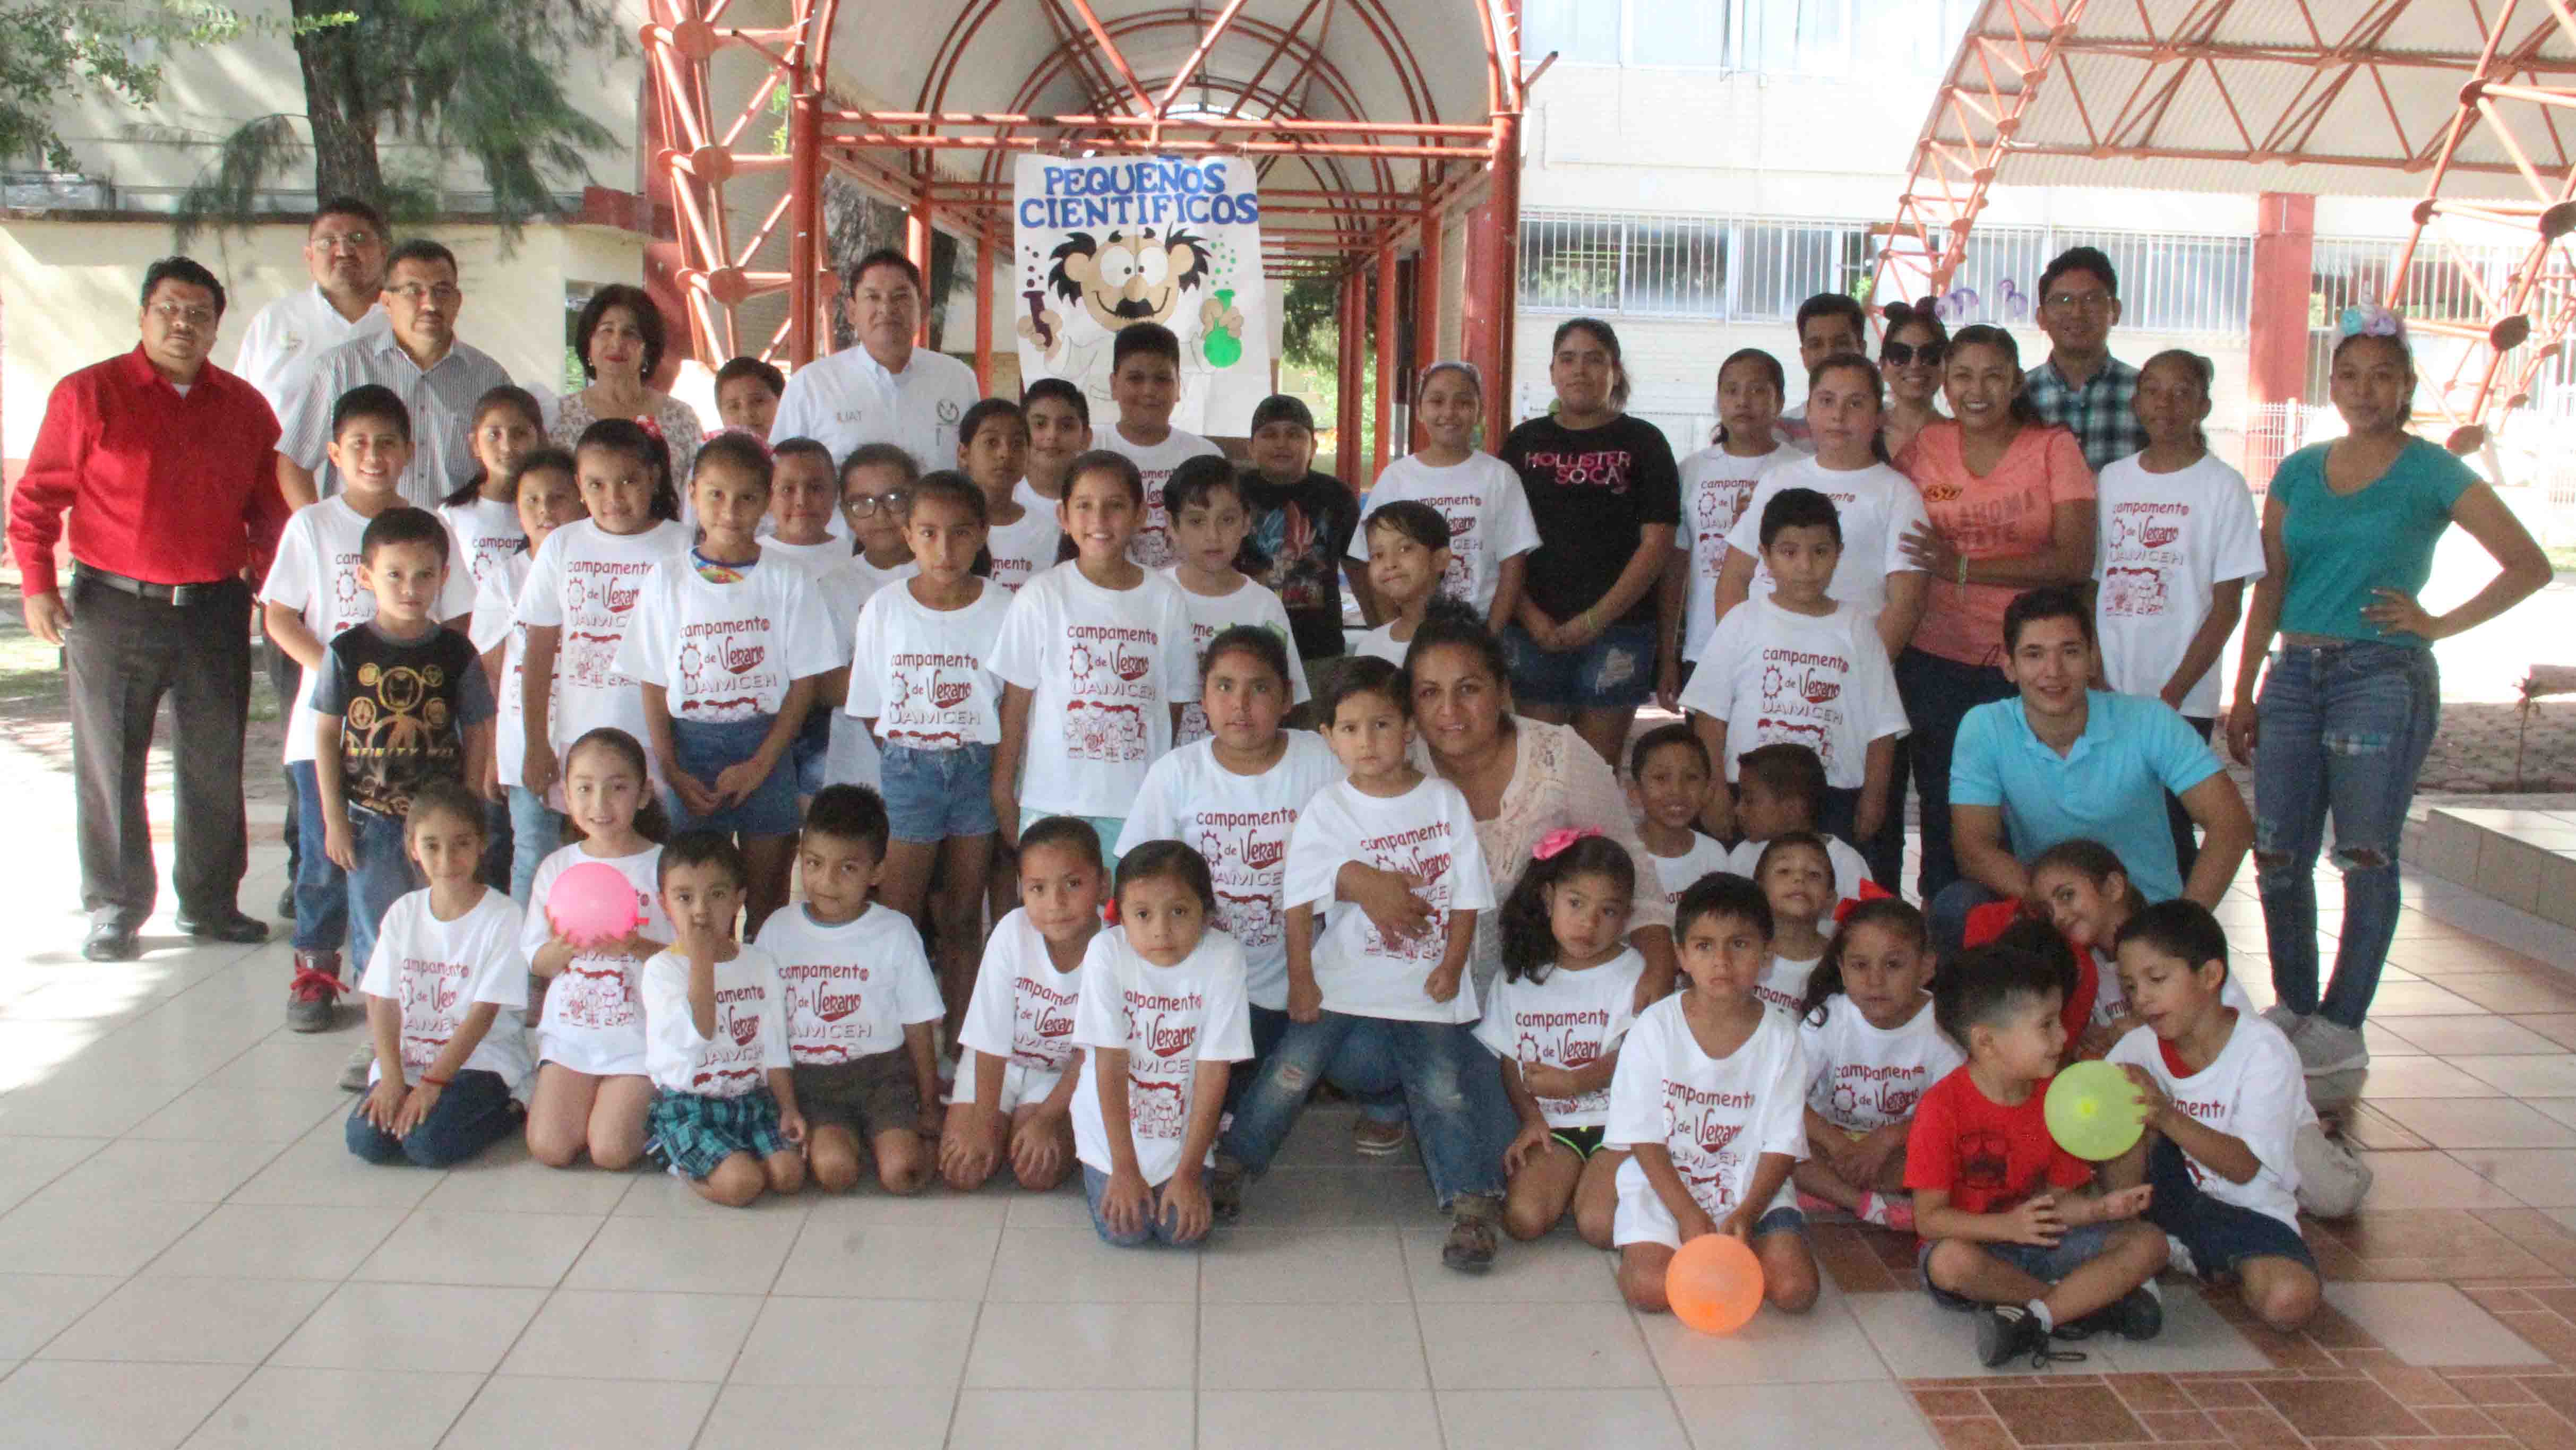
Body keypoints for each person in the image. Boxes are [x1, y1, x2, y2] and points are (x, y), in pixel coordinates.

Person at [2228, 311, 2549, 1078]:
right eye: (2349, 375)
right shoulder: (2301, 470)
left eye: (2382, 376)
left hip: (2382, 677)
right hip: (2295, 676)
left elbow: (2527, 564)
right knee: (2276, 852)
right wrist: (2244, 691)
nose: (2364, 391)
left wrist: (2435, 624)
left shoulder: (2432, 470)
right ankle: (2296, 1005)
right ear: (2330, 382)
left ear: (2406, 386)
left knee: (2366, 854)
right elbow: (2271, 585)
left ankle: (2343, 1021)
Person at [10, 255, 289, 962]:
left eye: (199, 312)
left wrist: (272, 587)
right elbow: (38, 499)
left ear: (217, 327)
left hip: (214, 608)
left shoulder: (246, 408)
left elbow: (269, 512)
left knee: (213, 759)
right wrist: (37, 582)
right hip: (113, 607)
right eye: (169, 308)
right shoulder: (89, 395)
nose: (183, 323)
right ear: (143, 315)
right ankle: (115, 906)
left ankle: (211, 902)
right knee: (110, 758)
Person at [1225, 658, 1508, 1266]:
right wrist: (1301, 980)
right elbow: (1298, 905)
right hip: (1341, 983)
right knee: (1289, 1071)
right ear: (1328, 737)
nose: (1367, 741)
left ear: (1409, 726)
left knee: (1442, 1090)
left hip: (1425, 987)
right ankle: (1234, 1162)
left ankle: (1468, 1207)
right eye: (1349, 729)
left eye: (1381, 724)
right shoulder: (1328, 809)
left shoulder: (1441, 801)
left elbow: (1467, 897)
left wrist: (1453, 965)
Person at [264, 389, 475, 1031]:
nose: (373, 456)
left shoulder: (430, 526)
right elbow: (278, 614)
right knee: (328, 857)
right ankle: (316, 971)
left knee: (404, 863)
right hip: (328, 730)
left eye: (387, 443)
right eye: (358, 443)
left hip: (413, 743)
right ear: (333, 453)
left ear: (409, 452)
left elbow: (459, 618)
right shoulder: (313, 524)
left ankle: (415, 978)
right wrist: (344, 681)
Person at [1894, 324, 2098, 901]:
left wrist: (1962, 567)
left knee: (2031, 804)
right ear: (1945, 384)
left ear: (2015, 382)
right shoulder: (1924, 449)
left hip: (2028, 664)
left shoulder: (2053, 447)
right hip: (1934, 658)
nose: (1976, 389)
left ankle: (2032, 927)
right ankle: (1947, 931)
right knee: (1943, 803)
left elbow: (2073, 560)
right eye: (1962, 375)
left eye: (1992, 375)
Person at [1397, 600, 1679, 1008]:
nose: (1449, 710)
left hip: (1545, 996)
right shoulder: (1397, 765)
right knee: (1360, 1059)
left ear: (1503, 691)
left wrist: (1658, 968)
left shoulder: (1558, 757)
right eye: (1428, 693)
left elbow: (1632, 872)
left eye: (1468, 688)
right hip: (1427, 993)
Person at [1943, 586, 2254, 952]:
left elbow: (2231, 825)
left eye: (2070, 652)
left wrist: (2181, 928)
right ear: (2009, 667)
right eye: (2034, 654)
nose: (2053, 671)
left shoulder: (2149, 720)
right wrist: (2061, 906)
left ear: (2093, 660)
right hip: (2050, 917)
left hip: (2145, 921)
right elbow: (1973, 848)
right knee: (1957, 907)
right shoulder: (1985, 728)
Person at [1908, 943, 2167, 1368]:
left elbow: (2059, 1206)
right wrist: (2007, 1226)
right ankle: (2081, 1304)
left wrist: (2102, 1208)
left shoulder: (2058, 1097)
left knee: (2150, 1243)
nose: (2064, 1037)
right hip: (1979, 1248)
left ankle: (2035, 1317)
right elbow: (1929, 1220)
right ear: (1987, 1042)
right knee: (1949, 1262)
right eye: (2047, 1025)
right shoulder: (1942, 1108)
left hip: (2045, 1245)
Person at [1118, 625, 1344, 1109]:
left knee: (1294, 1078)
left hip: (1299, 981)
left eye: (1259, 688)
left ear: (1287, 699)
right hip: (1204, 982)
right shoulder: (1177, 773)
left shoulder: (1319, 759)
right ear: (1203, 697)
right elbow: (1137, 885)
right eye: (1224, 687)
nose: (1240, 704)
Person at [619, 434, 838, 934]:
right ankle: (702, 995)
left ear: (765, 502)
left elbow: (805, 682)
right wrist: (671, 768)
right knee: (696, 901)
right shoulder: (667, 579)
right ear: (692, 492)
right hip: (689, 748)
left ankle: (759, 995)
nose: (731, 510)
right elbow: (652, 682)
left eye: (746, 497)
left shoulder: (787, 578)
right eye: (716, 494)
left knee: (767, 899)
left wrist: (762, 764)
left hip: (766, 745)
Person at [311, 506, 496, 1057]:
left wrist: (468, 804)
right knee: (377, 930)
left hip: (439, 824)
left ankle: (442, 1030)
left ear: (444, 577)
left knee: (442, 921)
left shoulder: (455, 651)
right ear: (365, 576)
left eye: (424, 575)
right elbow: (325, 736)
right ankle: (382, 1043)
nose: (410, 588)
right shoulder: (346, 652)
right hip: (370, 820)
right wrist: (334, 817)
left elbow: (478, 728)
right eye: (394, 574)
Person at [2102, 900, 2324, 1331]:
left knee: (2289, 1302)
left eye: (2157, 979)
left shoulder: (2263, 1050)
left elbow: (2243, 1168)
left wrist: (2165, 1114)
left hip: (2247, 1209)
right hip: (2164, 1199)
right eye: (2130, 987)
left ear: (2210, 976)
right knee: (2120, 1099)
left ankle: (2207, 1259)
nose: (2141, 998)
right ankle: (2144, 1242)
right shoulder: (2140, 1047)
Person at [1609, 873, 1818, 1317]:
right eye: (1704, 946)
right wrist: (1687, 1215)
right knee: (1649, 1290)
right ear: (1682, 956)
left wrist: (1747, 1212)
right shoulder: (1654, 1028)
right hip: (1667, 1188)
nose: (1721, 960)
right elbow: (1643, 1137)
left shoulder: (1783, 1037)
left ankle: (1740, 1253)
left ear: (1768, 953)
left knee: (1797, 1292)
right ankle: (1654, 1247)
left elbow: (1783, 1144)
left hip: (1753, 1190)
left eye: (1739, 944)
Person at [847, 472, 1013, 1029]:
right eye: (929, 532)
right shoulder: (885, 608)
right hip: (908, 770)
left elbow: (1015, 702)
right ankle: (891, 1040)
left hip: (977, 771)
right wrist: (913, 750)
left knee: (965, 916)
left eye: (961, 533)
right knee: (898, 916)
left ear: (983, 532)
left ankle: (960, 1050)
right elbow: (872, 704)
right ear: (908, 533)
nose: (945, 549)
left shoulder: (1004, 608)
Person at [2096, 350, 2264, 880]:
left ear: (2204, 404)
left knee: (2168, 830)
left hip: (2179, 697)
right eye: (2153, 389)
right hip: (2109, 693)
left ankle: (2178, 945)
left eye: (2181, 391)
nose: (2165, 402)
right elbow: (2095, 584)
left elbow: (2226, 606)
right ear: (2135, 399)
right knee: (2111, 831)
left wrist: (2171, 693)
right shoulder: (2112, 480)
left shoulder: (2223, 486)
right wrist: (2096, 677)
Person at [990, 450, 1199, 858]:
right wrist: (1002, 789)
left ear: (1141, 515)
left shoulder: (1165, 599)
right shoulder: (1042, 596)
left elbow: (1172, 704)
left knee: (1129, 920)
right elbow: (1016, 703)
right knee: (1057, 919)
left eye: (1115, 506)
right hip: (1054, 803)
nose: (1099, 521)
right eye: (1084, 506)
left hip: (1138, 807)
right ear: (1063, 517)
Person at [1499, 318, 1684, 765]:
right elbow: (1502, 542)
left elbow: (1658, 544)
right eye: (1568, 359)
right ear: (1552, 371)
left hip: (1617, 631)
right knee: (1538, 767)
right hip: (1533, 631)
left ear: (1614, 371)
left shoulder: (1645, 443)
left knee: (1594, 770)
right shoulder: (1522, 443)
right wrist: (1529, 614)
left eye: (1594, 359)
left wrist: (1595, 620)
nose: (1579, 370)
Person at [1682, 487, 1905, 846]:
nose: (1806, 566)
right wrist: (1715, 791)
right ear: (1765, 557)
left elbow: (1883, 726)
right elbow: (1710, 714)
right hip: (1750, 792)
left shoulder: (1857, 627)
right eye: (1789, 552)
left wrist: (1875, 797)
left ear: (1838, 554)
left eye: (1820, 552)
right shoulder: (1742, 621)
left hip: (1833, 796)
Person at [754, 785, 942, 1195]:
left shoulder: (895, 931)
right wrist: (783, 1102)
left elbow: (918, 1025)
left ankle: (890, 1137)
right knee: (834, 1171)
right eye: (815, 863)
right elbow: (766, 1029)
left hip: (882, 1078)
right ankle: (847, 1140)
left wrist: (929, 1107)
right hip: (812, 1082)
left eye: (848, 868)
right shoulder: (778, 930)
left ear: (877, 872)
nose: (827, 882)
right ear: (800, 859)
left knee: (902, 1175)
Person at [1072, 841, 1253, 1247]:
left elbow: (1212, 1070)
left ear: (1207, 914)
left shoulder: (1224, 957)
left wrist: (1189, 1173)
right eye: (1142, 914)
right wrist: (1123, 1169)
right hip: (1113, 1133)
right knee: (1127, 1233)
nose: (1161, 930)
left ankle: (1192, 1173)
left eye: (1179, 912)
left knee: (1180, 1233)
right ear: (1120, 916)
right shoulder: (1106, 952)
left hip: (1183, 1136)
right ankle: (1098, 1170)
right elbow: (1110, 1065)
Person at [346, 780, 533, 1167]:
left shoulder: (504, 917)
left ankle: (513, 1107)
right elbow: (381, 1000)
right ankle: (421, 1102)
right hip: (412, 1060)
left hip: (478, 1062)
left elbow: (483, 1015)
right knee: (367, 1140)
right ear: (412, 847)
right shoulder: (404, 913)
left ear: (482, 844)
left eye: (462, 844)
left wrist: (432, 1085)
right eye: (432, 845)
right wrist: (393, 1078)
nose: (447, 860)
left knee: (427, 1145)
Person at [514, 420, 692, 806]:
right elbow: (540, 651)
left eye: (628, 481)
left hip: (667, 740)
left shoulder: (684, 546)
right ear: (579, 486)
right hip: (581, 734)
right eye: (596, 484)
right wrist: (536, 742)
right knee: (594, 845)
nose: (613, 496)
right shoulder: (562, 545)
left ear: (654, 477)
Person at [1481, 831, 1644, 1247]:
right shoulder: (1519, 976)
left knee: (1601, 1228)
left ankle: (1596, 1185)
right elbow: (1510, 1062)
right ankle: (1575, 1181)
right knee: (1523, 1220)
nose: (1588, 924)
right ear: (1549, 898)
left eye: (1608, 911)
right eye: (1576, 904)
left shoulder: (1632, 972)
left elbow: (1632, 1057)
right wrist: (1532, 1118)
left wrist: (1576, 1082)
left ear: (1627, 917)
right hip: (1555, 1127)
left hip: (1619, 1126)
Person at [523, 728, 669, 1170]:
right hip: (572, 1036)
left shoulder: (665, 865)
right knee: (551, 1148)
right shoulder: (556, 867)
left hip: (638, 1041)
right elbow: (537, 960)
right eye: (585, 789)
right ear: (565, 795)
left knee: (611, 1151)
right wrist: (565, 945)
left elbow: (692, 958)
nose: (599, 805)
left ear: (643, 795)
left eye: (617, 788)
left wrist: (637, 945)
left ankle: (659, 1101)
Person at [276, 238, 512, 508]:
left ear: (458, 301)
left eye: (442, 291)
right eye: (414, 291)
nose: (430, 304)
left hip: (458, 544)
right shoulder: (340, 369)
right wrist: (321, 532)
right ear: (386, 301)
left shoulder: (490, 379)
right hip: (363, 544)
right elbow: (294, 462)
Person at [640, 830, 807, 1207]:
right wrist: (701, 960)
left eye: (716, 895)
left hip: (752, 1099)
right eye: (685, 897)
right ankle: (672, 1158)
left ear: (739, 899)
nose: (700, 911)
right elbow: (700, 1030)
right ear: (664, 903)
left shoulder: (759, 963)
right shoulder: (661, 970)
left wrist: (789, 1108)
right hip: (690, 1105)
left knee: (788, 1176)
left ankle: (731, 1157)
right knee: (744, 1185)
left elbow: (775, 1050)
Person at [940, 816, 1103, 1192]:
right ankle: (995, 1121)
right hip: (998, 1065)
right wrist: (982, 1123)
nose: (1056, 904)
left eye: (1073, 884)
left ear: (1102, 884)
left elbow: (1090, 1055)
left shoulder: (1112, 949)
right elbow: (989, 1037)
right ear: (1021, 890)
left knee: (1037, 1172)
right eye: (1038, 889)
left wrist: (1046, 1119)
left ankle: (1058, 1128)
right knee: (964, 1170)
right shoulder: (1011, 932)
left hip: (1061, 1077)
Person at [1792, 898, 1955, 1232]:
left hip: (1900, 1147)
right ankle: (1864, 1204)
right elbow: (1785, 1095)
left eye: (1893, 965)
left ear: (1926, 968)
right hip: (1831, 1142)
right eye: (1860, 965)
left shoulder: (1943, 1025)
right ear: (1842, 968)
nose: (1875, 981)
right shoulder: (1828, 1019)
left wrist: (1888, 1139)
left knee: (1949, 1154)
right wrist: (1839, 1145)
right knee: (1779, 1144)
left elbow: (1954, 1111)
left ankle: (1830, 1192)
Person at [473, 448, 585, 904]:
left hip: (589, 738)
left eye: (557, 497)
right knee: (533, 852)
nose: (545, 510)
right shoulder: (505, 579)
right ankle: (526, 967)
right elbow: (492, 675)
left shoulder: (593, 568)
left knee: (591, 849)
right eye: (531, 501)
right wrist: (492, 754)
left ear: (581, 501)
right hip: (523, 742)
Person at [1348, 361, 1537, 631]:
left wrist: (1489, 637)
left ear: (1479, 411)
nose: (1449, 412)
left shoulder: (1499, 476)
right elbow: (1371, 558)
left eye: (1463, 402)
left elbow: (1512, 566)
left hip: (1478, 628)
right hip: (1412, 629)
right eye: (1437, 401)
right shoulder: (1396, 478)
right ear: (1420, 411)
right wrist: (1396, 632)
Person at [770, 248, 981, 471]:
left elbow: (979, 467)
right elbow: (781, 475)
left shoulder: (957, 378)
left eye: (900, 297)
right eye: (873, 297)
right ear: (852, 312)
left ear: (923, 308)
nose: (887, 309)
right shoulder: (811, 385)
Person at [1163, 456, 1308, 743]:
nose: (1213, 535)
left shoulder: (1264, 606)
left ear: (1246, 523)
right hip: (1169, 769)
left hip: (1243, 768)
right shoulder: (1153, 596)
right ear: (1172, 525)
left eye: (1227, 520)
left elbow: (1291, 702)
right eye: (1196, 521)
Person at [1678, 348, 1802, 668]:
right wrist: (1668, 654)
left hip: (1783, 643)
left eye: (1758, 390)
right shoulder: (1691, 470)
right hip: (1706, 643)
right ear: (1719, 400)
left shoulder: (1801, 470)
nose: (1743, 401)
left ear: (1780, 401)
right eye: (1731, 390)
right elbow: (1677, 565)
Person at [1237, 394, 1360, 694]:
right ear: (1251, 448)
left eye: (1294, 434)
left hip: (1319, 651)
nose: (1282, 443)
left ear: (1314, 447)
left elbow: (1359, 570)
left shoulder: (1337, 497)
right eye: (1269, 435)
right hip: (1244, 646)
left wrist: (1385, 633)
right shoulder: (1233, 492)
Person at [548, 285, 707, 507]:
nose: (617, 343)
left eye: (630, 333)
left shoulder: (680, 417)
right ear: (588, 345)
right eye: (606, 330)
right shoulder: (558, 416)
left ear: (648, 349)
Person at [234, 197, 392, 417]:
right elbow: (239, 413)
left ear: (383, 252)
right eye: (328, 242)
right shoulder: (274, 321)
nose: (344, 251)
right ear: (309, 257)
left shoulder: (405, 320)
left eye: (357, 239)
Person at [1089, 322, 1223, 570]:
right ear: (1113, 385)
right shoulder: (1090, 448)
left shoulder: (1205, 456)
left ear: (1178, 387)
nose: (1149, 391)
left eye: (1162, 379)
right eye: (1135, 379)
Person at [2021, 246, 2144, 474]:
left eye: (2092, 299)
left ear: (2115, 311)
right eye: (2063, 300)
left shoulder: (2146, 393)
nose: (2077, 312)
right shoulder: (2017, 395)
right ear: (2041, 317)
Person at [1721, 744, 1874, 910]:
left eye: (1749, 800)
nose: (1738, 810)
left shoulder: (1846, 863)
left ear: (1792, 809)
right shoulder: (1742, 855)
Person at [438, 385, 544, 596]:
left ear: (540, 439)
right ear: (475, 444)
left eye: (519, 434)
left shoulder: (550, 509)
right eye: (494, 435)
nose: (507, 446)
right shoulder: (453, 515)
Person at [956, 398, 1060, 592]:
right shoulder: (944, 529)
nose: (1005, 453)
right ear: (964, 454)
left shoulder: (1049, 532)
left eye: (1017, 444)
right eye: (991, 442)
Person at [1629, 723, 1730, 906]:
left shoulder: (1713, 855)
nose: (1677, 791)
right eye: (1661, 778)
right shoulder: (1623, 855)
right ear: (1635, 792)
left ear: (1708, 790)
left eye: (1691, 778)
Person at [1349, 500, 1451, 667]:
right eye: (1378, 555)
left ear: (1440, 559)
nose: (1390, 564)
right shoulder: (1371, 647)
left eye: (1404, 549)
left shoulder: (1466, 644)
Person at [1749, 834, 1836, 1013]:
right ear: (1759, 888)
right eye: (1784, 871)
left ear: (1830, 898)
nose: (1799, 879)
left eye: (1814, 874)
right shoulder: (1741, 952)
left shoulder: (1839, 963)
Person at [1778, 291, 1871, 448]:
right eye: (1816, 345)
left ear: (1862, 349)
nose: (1829, 355)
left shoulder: (1888, 424)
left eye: (1841, 343)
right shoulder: (1783, 431)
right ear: (1803, 354)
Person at [756, 438, 847, 573]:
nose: (802, 501)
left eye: (816, 488)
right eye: (787, 489)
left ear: (835, 493)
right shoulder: (751, 557)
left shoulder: (851, 556)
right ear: (768, 498)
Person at [1877, 300, 1948, 462]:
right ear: (1883, 366)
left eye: (1929, 354)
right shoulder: (1863, 434)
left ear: (1946, 364)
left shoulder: (1965, 437)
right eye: (1900, 354)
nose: (1915, 365)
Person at [1018, 376, 1093, 513]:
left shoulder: (1100, 498)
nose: (1052, 435)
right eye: (1040, 424)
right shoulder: (1002, 496)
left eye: (1066, 426)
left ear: (1086, 438)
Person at [714, 356, 784, 440]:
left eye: (758, 401)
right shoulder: (711, 452)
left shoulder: (800, 450)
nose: (747, 414)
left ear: (782, 401)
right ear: (721, 414)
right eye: (734, 406)